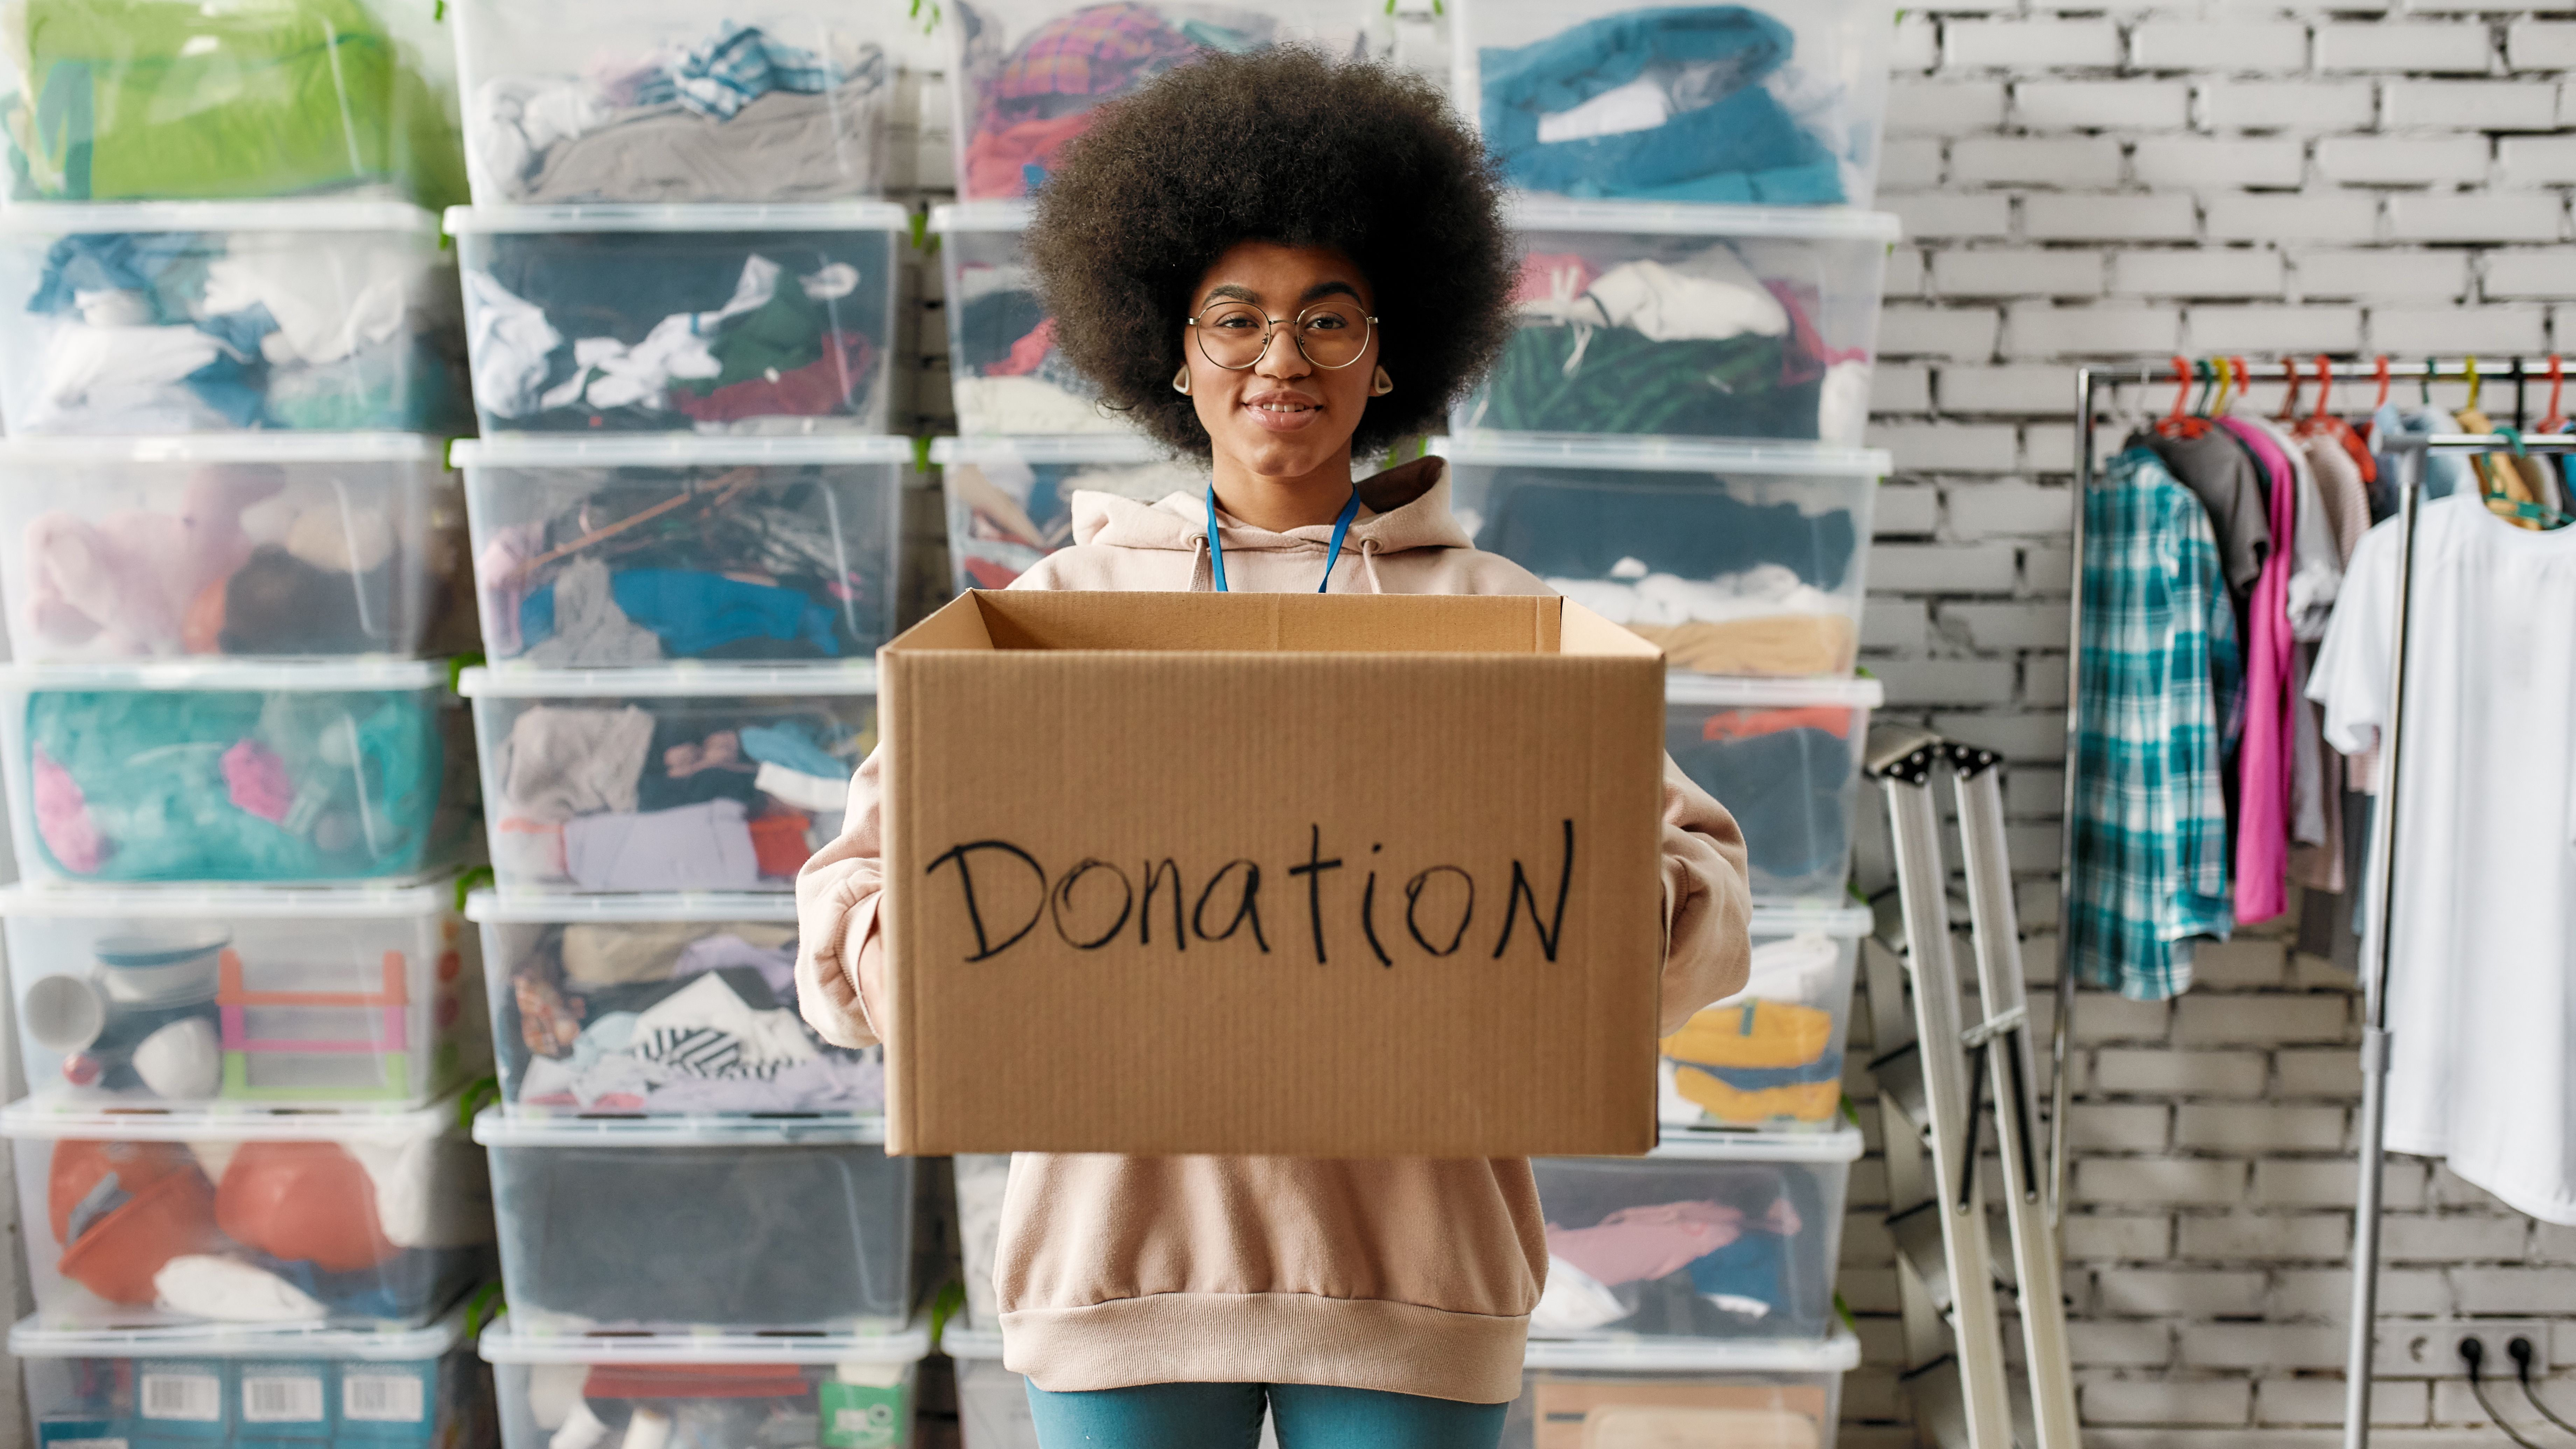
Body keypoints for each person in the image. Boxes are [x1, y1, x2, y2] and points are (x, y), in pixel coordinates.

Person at [796, 46, 1753, 1448]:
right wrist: (918, 956)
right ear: (1171, 355)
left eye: (1329, 320)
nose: (1279, 360)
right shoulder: (1046, 623)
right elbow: (849, 898)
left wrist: (1615, 912)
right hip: (1116, 1272)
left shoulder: (1515, 630)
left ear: (1391, 354)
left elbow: (1708, 904)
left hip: (1418, 1281)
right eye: (1232, 319)